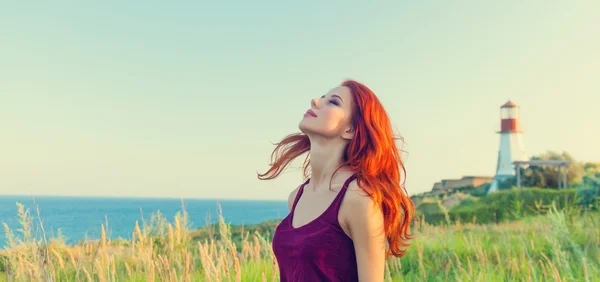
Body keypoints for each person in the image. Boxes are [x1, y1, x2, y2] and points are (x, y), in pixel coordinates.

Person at [257, 79, 415, 282]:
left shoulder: (358, 198)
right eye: (322, 97)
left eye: (333, 102)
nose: (315, 101)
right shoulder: (296, 197)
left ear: (350, 130)